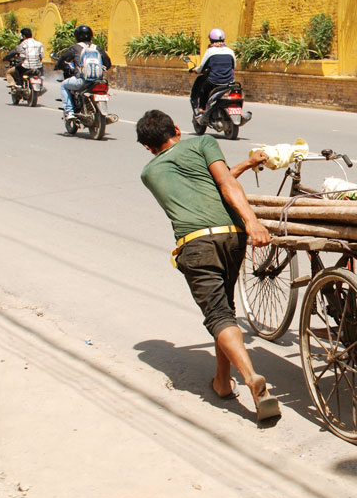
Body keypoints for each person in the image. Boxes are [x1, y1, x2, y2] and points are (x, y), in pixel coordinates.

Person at [136, 109, 281, 422]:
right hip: (232, 238)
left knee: (218, 315)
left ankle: (251, 377)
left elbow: (210, 183)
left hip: (197, 245)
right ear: (176, 127)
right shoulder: (202, 144)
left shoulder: (148, 173)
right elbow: (222, 182)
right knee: (225, 312)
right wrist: (252, 221)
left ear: (148, 148)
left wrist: (245, 166)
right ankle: (221, 382)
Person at [54, 24, 111, 121]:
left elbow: (63, 59)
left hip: (82, 81)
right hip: (98, 81)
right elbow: (108, 63)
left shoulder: (75, 48)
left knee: (63, 85)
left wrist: (58, 66)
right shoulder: (97, 48)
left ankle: (69, 112)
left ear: (77, 36)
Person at [191, 28, 236, 117]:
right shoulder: (230, 51)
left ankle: (201, 110)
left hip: (214, 81)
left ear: (211, 40)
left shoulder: (210, 51)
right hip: (229, 82)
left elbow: (201, 68)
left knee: (203, 91)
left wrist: (195, 70)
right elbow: (234, 66)